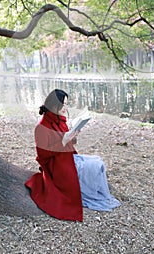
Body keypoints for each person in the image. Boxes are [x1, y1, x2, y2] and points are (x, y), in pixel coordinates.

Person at [25, 89, 121, 222]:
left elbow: (68, 144)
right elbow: (43, 155)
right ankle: (88, 192)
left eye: (67, 104)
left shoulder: (60, 120)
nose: (66, 107)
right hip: (54, 165)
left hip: (66, 158)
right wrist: (64, 141)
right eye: (64, 104)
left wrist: (73, 136)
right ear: (54, 106)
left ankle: (92, 191)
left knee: (97, 162)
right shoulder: (41, 127)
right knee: (94, 165)